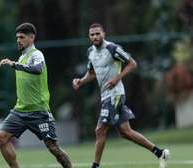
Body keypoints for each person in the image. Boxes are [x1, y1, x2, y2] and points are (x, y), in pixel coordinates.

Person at [72, 23, 170, 168]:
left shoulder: (112, 48)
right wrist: (81, 81)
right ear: (89, 36)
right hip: (105, 95)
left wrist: (117, 77)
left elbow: (132, 63)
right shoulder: (90, 52)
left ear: (103, 34)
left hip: (115, 94)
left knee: (100, 130)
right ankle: (159, 152)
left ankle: (95, 166)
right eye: (92, 34)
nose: (95, 36)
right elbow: (92, 73)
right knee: (125, 132)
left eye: (97, 33)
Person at [0, 22, 72, 168]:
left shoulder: (36, 54)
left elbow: (37, 69)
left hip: (39, 112)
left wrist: (14, 65)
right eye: (17, 37)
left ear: (31, 38)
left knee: (53, 148)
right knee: (1, 138)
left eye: (22, 37)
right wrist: (16, 64)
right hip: (20, 111)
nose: (18, 40)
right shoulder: (21, 57)